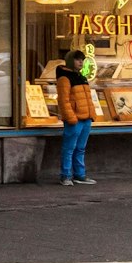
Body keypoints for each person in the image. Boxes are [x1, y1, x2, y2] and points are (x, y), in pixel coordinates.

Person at [55, 49, 97, 186]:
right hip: (75, 120)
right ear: (70, 60)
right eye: (78, 59)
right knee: (69, 148)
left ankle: (79, 175)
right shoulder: (65, 78)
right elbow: (63, 100)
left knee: (80, 148)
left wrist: (91, 115)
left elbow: (87, 98)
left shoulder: (82, 77)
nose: (81, 62)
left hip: (85, 119)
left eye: (82, 59)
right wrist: (71, 117)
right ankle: (65, 175)